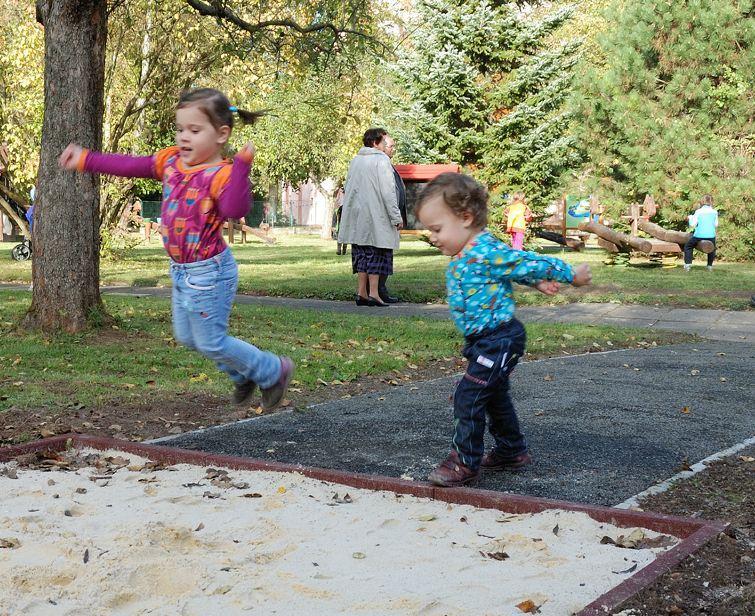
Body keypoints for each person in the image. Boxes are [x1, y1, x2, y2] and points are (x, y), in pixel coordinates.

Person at [59, 87, 294, 410]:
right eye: (181, 128)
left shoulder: (221, 174)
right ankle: (243, 372)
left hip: (209, 272)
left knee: (211, 340)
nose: (184, 137)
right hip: (182, 271)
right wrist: (87, 159)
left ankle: (272, 371)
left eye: (195, 131)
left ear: (221, 134)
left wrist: (241, 167)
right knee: (188, 338)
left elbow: (235, 209)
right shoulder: (171, 162)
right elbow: (130, 165)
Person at [415, 173, 592, 487]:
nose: (432, 236)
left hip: (499, 339)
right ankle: (511, 451)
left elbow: (523, 260)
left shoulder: (484, 250)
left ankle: (464, 462)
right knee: (494, 396)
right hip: (484, 341)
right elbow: (511, 270)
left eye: (437, 229)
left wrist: (570, 274)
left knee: (467, 397)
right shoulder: (467, 254)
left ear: (466, 218)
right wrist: (533, 282)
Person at [338, 128, 403, 307]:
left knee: (361, 254)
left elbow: (349, 188)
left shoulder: (356, 160)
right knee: (376, 254)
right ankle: (374, 293)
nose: (387, 147)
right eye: (384, 143)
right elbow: (388, 192)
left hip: (357, 217)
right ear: (375, 143)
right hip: (377, 217)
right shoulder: (381, 160)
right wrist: (396, 217)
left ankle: (362, 293)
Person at [374, 134, 406, 303]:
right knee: (382, 256)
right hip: (384, 218)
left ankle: (381, 289)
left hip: (389, 218)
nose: (394, 149)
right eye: (391, 146)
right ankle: (378, 290)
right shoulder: (381, 164)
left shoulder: (387, 164)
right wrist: (395, 216)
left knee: (386, 255)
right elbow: (387, 193)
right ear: (381, 146)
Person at [684, 195, 718, 272]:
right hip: (711, 236)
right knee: (712, 248)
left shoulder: (698, 211)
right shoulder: (714, 212)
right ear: (711, 202)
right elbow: (716, 224)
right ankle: (709, 266)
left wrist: (690, 218)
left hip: (699, 236)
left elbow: (693, 224)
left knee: (688, 246)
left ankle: (688, 265)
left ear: (702, 202)